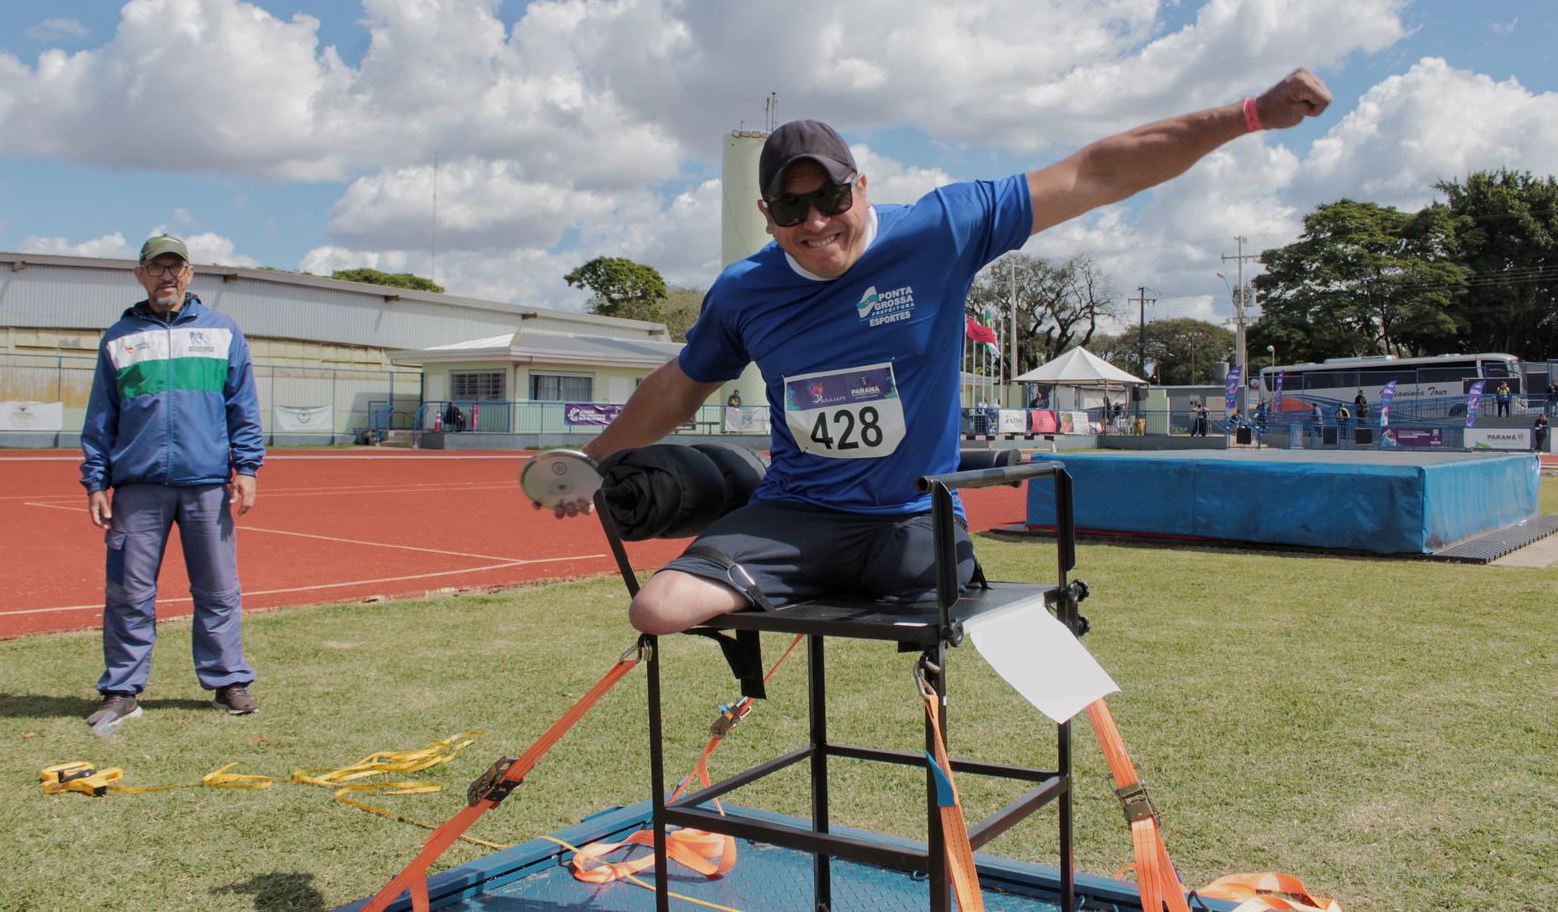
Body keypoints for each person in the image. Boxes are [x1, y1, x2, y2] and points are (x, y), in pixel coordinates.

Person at [551, 70, 1332, 635]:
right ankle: (749, 494)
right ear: (765, 214)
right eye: (792, 207)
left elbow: (1098, 171)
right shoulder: (744, 291)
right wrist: (589, 462)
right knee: (657, 610)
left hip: (915, 513)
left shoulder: (942, 228)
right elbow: (676, 388)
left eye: (830, 197)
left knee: (986, 633)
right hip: (801, 515)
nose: (816, 222)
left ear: (862, 187)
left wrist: (1249, 115)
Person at [79, 234, 265, 727]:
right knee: (128, 591)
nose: (167, 277)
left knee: (219, 589)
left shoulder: (223, 332)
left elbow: (242, 408)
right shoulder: (119, 337)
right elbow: (101, 416)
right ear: (139, 274)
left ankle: (229, 683)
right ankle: (122, 690)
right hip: (138, 488)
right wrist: (96, 480)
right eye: (156, 268)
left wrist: (247, 468)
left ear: (189, 273)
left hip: (206, 484)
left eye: (175, 268)